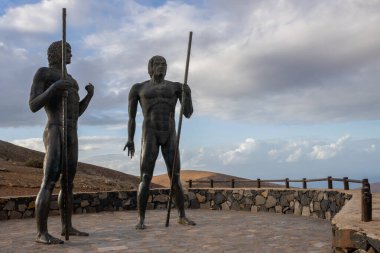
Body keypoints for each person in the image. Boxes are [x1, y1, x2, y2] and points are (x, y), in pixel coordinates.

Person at [29, 41, 94, 244]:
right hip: (55, 129)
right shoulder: (44, 74)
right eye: (68, 51)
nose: (71, 55)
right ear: (56, 53)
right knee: (49, 182)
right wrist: (55, 88)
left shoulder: (72, 81)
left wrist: (89, 97)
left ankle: (68, 226)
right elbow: (33, 105)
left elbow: (76, 114)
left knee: (68, 184)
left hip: (72, 132)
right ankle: (42, 233)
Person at [124, 55, 196, 229]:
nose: (162, 67)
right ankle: (141, 219)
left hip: (169, 133)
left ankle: (181, 216)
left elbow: (187, 113)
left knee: (175, 176)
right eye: (158, 64)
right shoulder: (138, 88)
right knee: (146, 177)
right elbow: (131, 118)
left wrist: (188, 94)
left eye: (164, 64)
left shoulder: (175, 87)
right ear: (150, 67)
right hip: (150, 133)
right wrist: (130, 139)